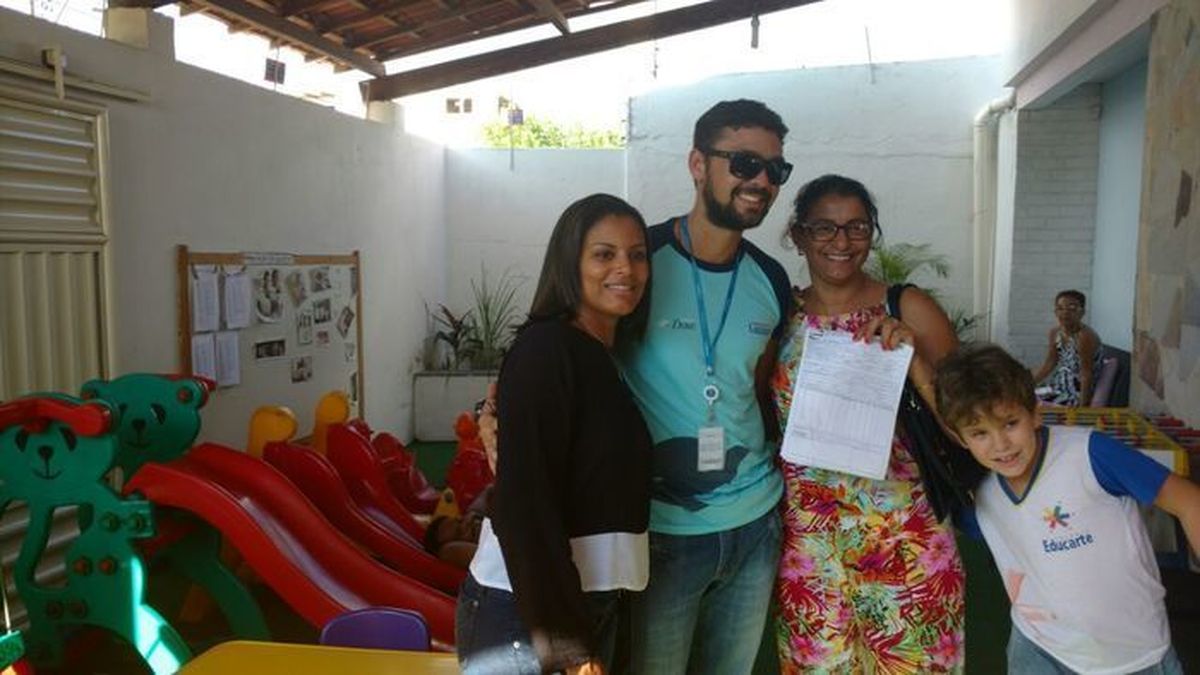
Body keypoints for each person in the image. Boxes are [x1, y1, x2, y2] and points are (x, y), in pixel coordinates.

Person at [477, 100, 795, 674]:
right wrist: (496, 417)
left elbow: (756, 386)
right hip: (660, 531)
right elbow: (553, 355)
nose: (760, 180)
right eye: (744, 162)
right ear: (697, 164)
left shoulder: (769, 278)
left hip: (753, 521)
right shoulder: (639, 259)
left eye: (775, 169)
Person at [770, 174, 965, 672]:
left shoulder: (908, 307)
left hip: (905, 536)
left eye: (857, 227)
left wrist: (913, 361)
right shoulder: (781, 314)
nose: (842, 242)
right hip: (810, 545)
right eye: (824, 228)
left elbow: (967, 426)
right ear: (798, 234)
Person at [455, 193, 653, 675]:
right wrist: (569, 648)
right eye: (604, 254)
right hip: (525, 616)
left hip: (589, 598)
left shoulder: (602, 354)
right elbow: (525, 508)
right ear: (569, 263)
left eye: (637, 255)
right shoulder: (547, 350)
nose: (625, 269)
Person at [936, 342, 1200, 675]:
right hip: (1036, 648)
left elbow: (1189, 501)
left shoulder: (1089, 454)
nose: (1000, 445)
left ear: (1035, 413)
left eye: (1010, 423)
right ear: (960, 438)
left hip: (1130, 654)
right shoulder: (981, 492)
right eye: (979, 433)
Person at [1031, 290, 1102, 407]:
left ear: (1082, 312)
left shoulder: (1085, 336)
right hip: (1058, 387)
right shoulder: (1055, 333)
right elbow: (1049, 364)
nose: (1065, 313)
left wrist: (1082, 408)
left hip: (1075, 393)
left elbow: (1086, 374)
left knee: (1027, 404)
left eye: (1072, 308)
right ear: (1055, 312)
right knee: (1019, 396)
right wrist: (1028, 385)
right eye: (1060, 308)